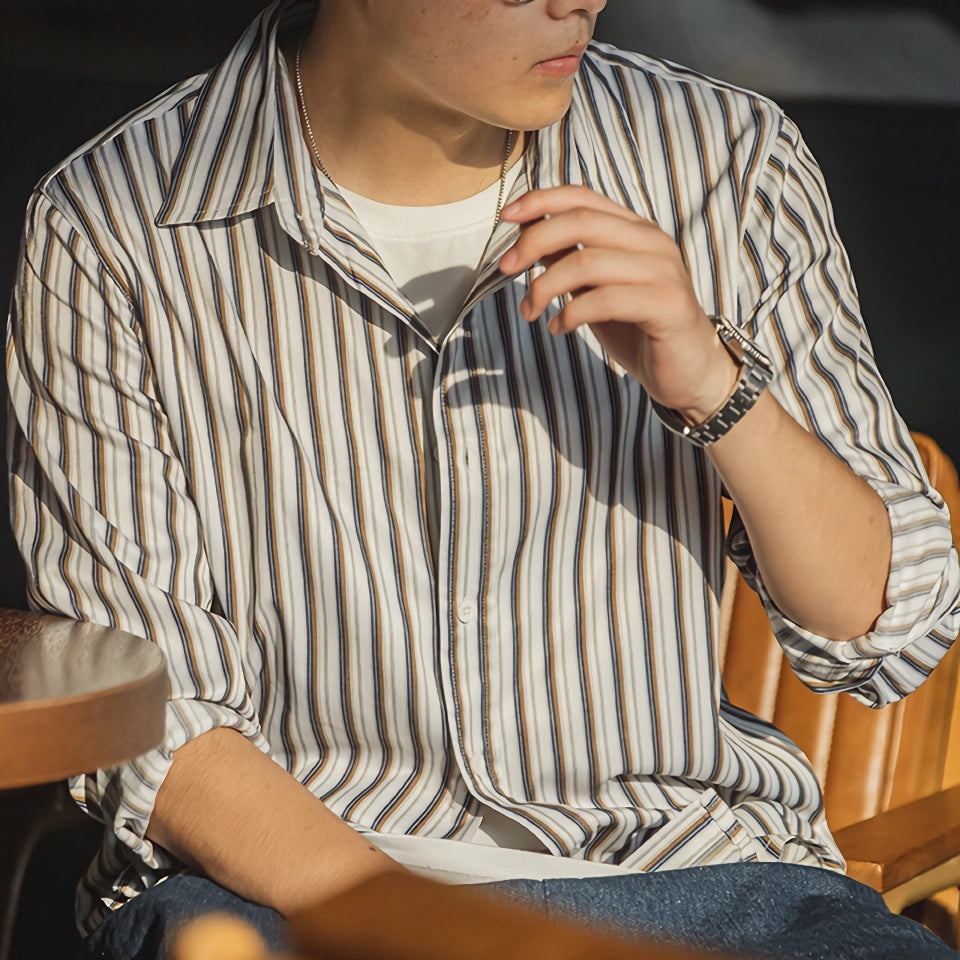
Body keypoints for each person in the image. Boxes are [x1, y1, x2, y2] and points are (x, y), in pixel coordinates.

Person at [7, 1, 960, 958]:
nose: (580, 0)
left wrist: (715, 384)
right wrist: (434, 930)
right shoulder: (114, 225)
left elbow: (883, 627)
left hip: (699, 882)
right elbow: (153, 718)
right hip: (288, 893)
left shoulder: (726, 159)